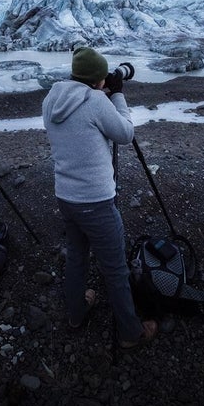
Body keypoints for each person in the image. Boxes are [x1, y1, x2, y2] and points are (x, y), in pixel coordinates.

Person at [42, 46, 158, 350]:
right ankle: (131, 333)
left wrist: (101, 91)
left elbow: (78, 129)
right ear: (98, 80)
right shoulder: (95, 101)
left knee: (77, 256)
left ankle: (76, 313)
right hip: (96, 200)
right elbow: (125, 133)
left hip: (65, 195)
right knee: (115, 268)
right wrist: (117, 95)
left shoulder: (52, 98)